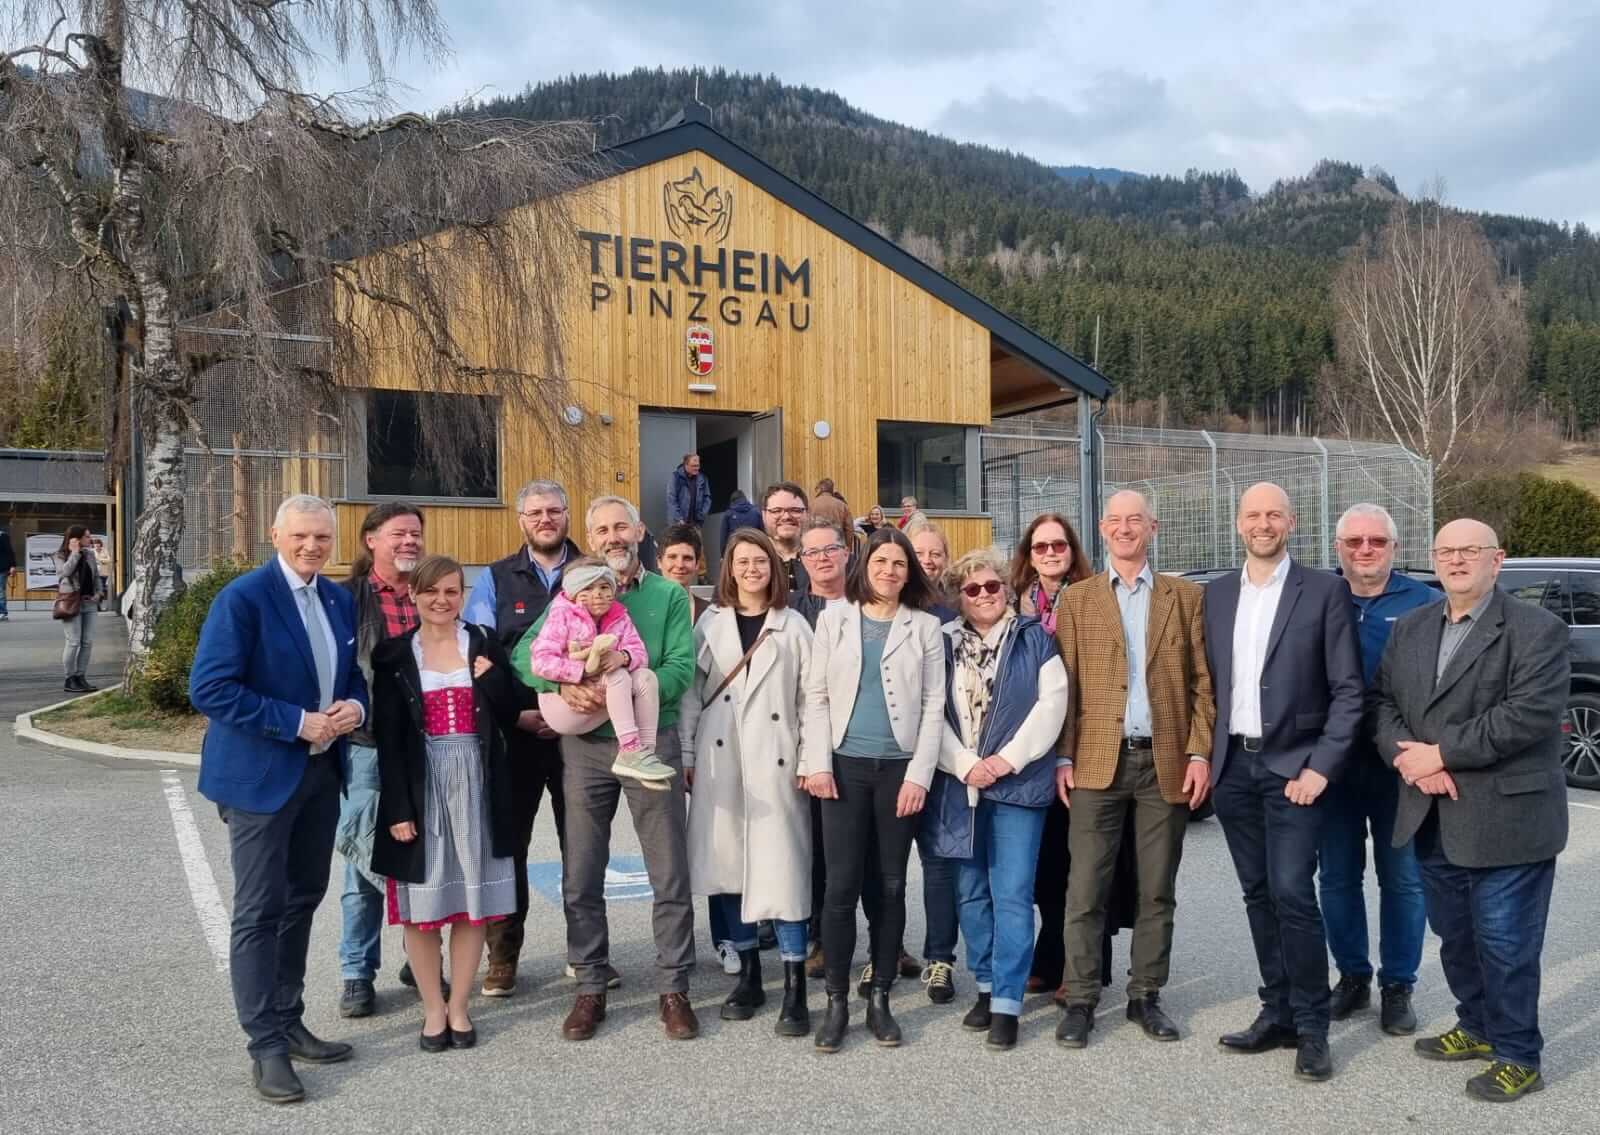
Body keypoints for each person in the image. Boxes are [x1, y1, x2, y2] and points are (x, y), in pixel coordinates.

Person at [1372, 519, 1569, 1102]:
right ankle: (1477, 1026)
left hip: (1507, 819)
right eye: (1446, 551)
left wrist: (1440, 755)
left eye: (1469, 551)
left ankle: (1518, 1055)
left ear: (1497, 559)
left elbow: (1526, 715)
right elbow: (1383, 704)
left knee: (1506, 945)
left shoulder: (1537, 630)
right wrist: (1407, 760)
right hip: (1430, 812)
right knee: (1455, 935)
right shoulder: (1412, 627)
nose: (1456, 560)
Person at [189, 494, 367, 1104]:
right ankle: (265, 1045)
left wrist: (354, 706)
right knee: (259, 911)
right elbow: (210, 688)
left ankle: (289, 1021)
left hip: (319, 776)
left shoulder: (337, 599)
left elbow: (351, 675)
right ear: (275, 535)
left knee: (302, 899)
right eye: (301, 536)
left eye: (322, 537)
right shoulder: (243, 598)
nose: (312, 546)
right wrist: (295, 722)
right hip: (259, 780)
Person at [513, 495, 700, 1041]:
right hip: (586, 748)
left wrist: (636, 684)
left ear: (639, 532)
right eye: (602, 530)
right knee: (582, 870)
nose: (613, 537)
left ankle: (674, 988)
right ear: (590, 538)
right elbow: (525, 655)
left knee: (669, 870)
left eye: (622, 527)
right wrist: (566, 682)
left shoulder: (668, 595)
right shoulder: (572, 592)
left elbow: (680, 668)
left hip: (651, 740)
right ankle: (590, 985)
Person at [1203, 482, 1363, 1083]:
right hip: (1233, 770)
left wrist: (1320, 767)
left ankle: (1314, 1028)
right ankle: (1278, 1013)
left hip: (1295, 770)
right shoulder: (1217, 594)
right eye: (1253, 515)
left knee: (1293, 893)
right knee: (1258, 894)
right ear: (1238, 523)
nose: (1263, 524)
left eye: (1274, 514)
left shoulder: (1324, 590)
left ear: (1291, 523)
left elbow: (1348, 690)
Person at [1053, 490, 1215, 1049]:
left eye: (1136, 520)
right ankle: (1080, 999)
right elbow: (1066, 686)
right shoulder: (1077, 599)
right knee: (1084, 889)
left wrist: (1199, 753)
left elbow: (1202, 684)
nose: (1125, 529)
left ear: (1153, 527)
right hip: (1095, 763)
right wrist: (1064, 756)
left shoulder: (1185, 597)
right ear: (1102, 530)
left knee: (1156, 889)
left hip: (1164, 762)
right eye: (1116, 521)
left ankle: (1146, 993)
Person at [371, 555, 525, 1052]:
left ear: (463, 595)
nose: (441, 600)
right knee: (423, 905)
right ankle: (432, 1009)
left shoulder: (483, 643)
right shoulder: (395, 654)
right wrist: (398, 808)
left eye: (452, 591)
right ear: (414, 595)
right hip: (422, 782)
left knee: (469, 904)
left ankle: (459, 1006)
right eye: (431, 591)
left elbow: (512, 709)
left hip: (477, 780)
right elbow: (388, 739)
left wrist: (492, 679)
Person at [802, 526, 945, 1052]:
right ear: (866, 566)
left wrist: (918, 775)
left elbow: (933, 705)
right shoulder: (834, 618)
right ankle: (837, 1001)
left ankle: (880, 996)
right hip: (843, 768)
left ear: (910, 573)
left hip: (897, 772)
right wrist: (817, 763)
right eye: (881, 561)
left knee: (889, 886)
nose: (889, 571)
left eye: (899, 564)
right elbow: (816, 696)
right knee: (840, 888)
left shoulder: (925, 627)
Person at [923, 548, 1067, 1048]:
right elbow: (930, 712)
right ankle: (984, 985)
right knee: (970, 892)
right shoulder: (941, 643)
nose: (984, 595)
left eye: (992, 586)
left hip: (1017, 784)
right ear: (958, 597)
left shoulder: (1035, 638)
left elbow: (1052, 706)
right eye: (972, 589)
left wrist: (1005, 761)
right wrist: (965, 764)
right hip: (959, 784)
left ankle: (1007, 1000)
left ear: (1006, 589)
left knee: (1012, 892)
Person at [681, 528, 816, 1035]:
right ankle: (749, 977)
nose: (752, 569)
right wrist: (688, 752)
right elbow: (691, 693)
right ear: (729, 568)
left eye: (760, 560)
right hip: (720, 756)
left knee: (784, 869)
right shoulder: (710, 622)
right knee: (728, 865)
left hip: (777, 758)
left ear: (773, 568)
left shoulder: (793, 625)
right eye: (742, 561)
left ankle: (795, 985)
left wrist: (810, 759)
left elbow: (811, 698)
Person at [1320, 503, 1439, 1036]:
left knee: (1404, 880)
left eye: (1376, 541)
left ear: (1395, 546)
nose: (1365, 550)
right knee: (1337, 878)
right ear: (1338, 547)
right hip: (1333, 767)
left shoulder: (1426, 603)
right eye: (1354, 541)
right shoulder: (1318, 596)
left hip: (1401, 769)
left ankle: (1398, 985)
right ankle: (1351, 977)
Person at [462, 479, 583, 997]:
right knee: (509, 847)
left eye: (553, 510)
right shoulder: (494, 579)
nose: (545, 520)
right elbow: (480, 655)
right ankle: (504, 956)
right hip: (518, 733)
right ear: (521, 521)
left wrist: (571, 711)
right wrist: (518, 714)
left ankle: (585, 952)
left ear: (567, 514)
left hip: (580, 733)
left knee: (582, 846)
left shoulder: (590, 571)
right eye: (535, 513)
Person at [336, 502, 426, 1019]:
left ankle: (421, 958)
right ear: (371, 539)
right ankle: (357, 972)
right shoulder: (346, 598)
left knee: (429, 857)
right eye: (398, 534)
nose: (409, 541)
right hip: (368, 745)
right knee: (364, 860)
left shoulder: (431, 591)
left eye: (415, 533)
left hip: (427, 746)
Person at [1009, 513, 1092, 994]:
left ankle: (1080, 968)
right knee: (1041, 868)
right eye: (1040, 547)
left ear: (1072, 549)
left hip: (1081, 744)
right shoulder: (1013, 602)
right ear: (1029, 554)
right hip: (1031, 746)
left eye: (1058, 545)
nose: (1050, 553)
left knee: (1077, 865)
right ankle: (1049, 956)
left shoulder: (1092, 597)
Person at [526, 557, 672, 787]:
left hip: (601, 693)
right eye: (588, 588)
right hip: (562, 707)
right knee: (618, 676)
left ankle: (644, 755)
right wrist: (582, 670)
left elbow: (640, 653)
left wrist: (623, 657)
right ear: (574, 592)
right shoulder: (561, 615)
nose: (598, 594)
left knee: (646, 677)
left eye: (604, 587)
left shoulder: (619, 616)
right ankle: (629, 748)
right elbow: (540, 661)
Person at [55, 525, 100, 692]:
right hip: (71, 603)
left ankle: (81, 677)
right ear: (76, 538)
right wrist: (74, 553)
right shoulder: (60, 555)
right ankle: (70, 679)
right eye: (87, 536)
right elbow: (64, 573)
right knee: (73, 642)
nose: (90, 539)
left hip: (90, 603)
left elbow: (96, 576)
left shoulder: (89, 554)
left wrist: (99, 593)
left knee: (87, 642)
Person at [761, 481, 811, 593]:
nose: (786, 517)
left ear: (807, 514)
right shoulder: (750, 560)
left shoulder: (825, 558)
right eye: (776, 511)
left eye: (795, 510)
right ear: (764, 515)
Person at [659, 523, 711, 625]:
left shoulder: (710, 614)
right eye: (672, 557)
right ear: (659, 562)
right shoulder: (641, 608)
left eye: (687, 558)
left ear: (697, 564)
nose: (680, 565)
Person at [667, 452, 712, 527]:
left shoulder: (702, 478)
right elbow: (671, 500)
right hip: (679, 523)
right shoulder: (676, 477)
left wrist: (702, 514)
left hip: (696, 523)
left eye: (698, 465)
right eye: (694, 466)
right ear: (686, 465)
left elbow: (707, 498)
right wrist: (679, 518)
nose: (697, 468)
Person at [0, 522, 13, 620]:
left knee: (0, 590)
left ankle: (3, 612)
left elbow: (10, 551)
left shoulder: (3, 536)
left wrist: (12, 565)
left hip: (2, 568)